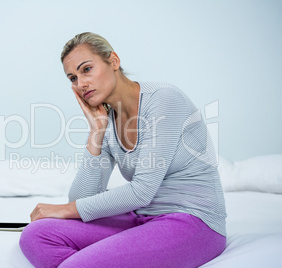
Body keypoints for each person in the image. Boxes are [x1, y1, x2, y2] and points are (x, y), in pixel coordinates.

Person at [19, 32, 227, 268]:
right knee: (36, 234)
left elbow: (141, 192)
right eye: (73, 78)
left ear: (113, 61)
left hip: (193, 222)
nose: (81, 84)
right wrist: (96, 132)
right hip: (141, 218)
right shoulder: (107, 120)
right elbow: (81, 200)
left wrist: (66, 210)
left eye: (86, 69)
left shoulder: (164, 99)